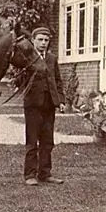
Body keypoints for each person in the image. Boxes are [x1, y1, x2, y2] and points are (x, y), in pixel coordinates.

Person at [23, 26, 65, 186]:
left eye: (46, 40)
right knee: (32, 140)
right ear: (33, 41)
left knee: (48, 141)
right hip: (33, 105)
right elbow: (19, 80)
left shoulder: (52, 59)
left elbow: (58, 81)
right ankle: (30, 175)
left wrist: (61, 101)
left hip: (49, 104)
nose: (43, 43)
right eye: (40, 39)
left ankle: (45, 173)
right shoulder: (27, 58)